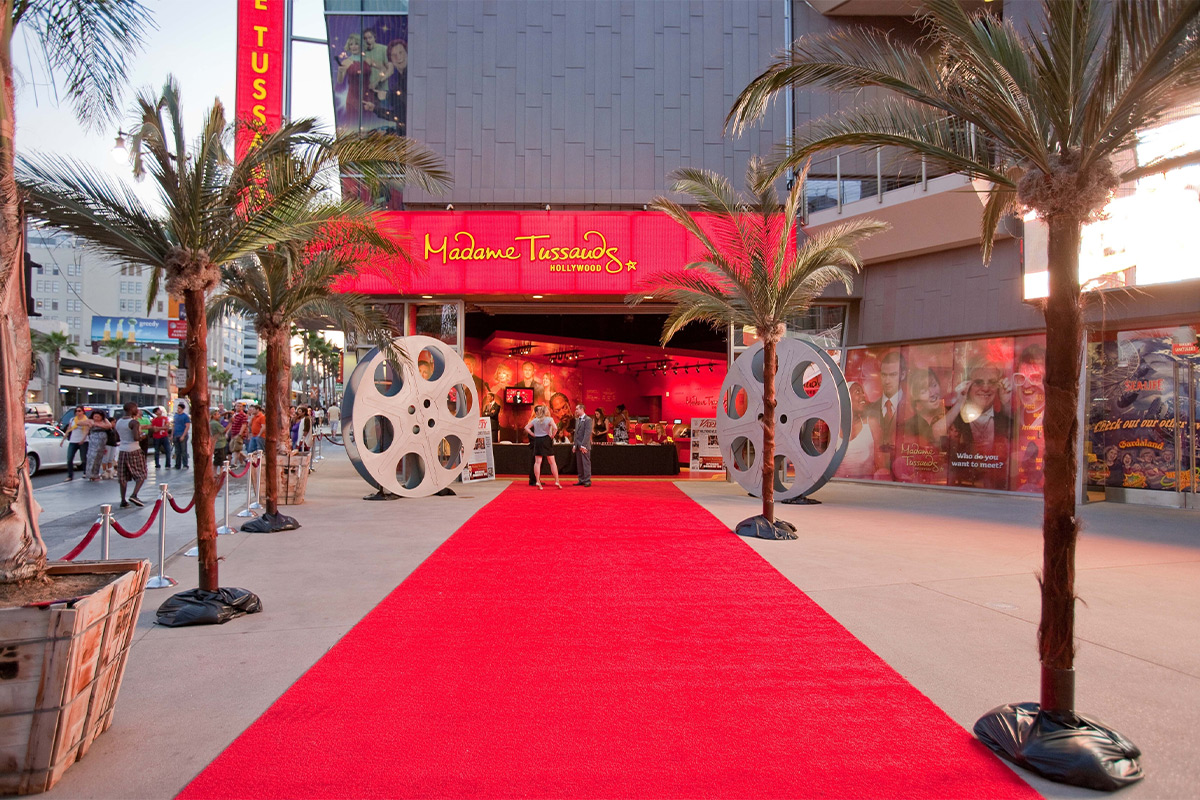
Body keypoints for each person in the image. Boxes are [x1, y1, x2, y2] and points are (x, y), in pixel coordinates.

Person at [948, 363, 1012, 489]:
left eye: (992, 382)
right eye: (978, 382)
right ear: (967, 386)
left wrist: (1006, 404)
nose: (986, 388)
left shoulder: (1005, 419)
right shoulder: (954, 420)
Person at [865, 350, 907, 476]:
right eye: (884, 375)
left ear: (903, 375)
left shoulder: (912, 408)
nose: (887, 381)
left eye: (893, 375)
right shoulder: (869, 409)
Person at [838, 382, 877, 479]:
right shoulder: (834, 429)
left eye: (863, 392)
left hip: (862, 489)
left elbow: (883, 465)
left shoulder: (871, 424)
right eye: (857, 391)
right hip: (838, 488)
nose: (863, 395)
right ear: (846, 397)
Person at [114, 402, 147, 508]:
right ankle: (134, 495)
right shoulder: (134, 422)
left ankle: (123, 500)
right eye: (136, 408)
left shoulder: (119, 422)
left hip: (122, 450)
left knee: (123, 477)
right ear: (132, 409)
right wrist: (143, 436)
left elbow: (117, 436)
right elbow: (136, 438)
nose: (137, 410)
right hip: (134, 450)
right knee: (141, 474)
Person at [523, 404, 561, 489]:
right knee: (552, 462)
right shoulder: (549, 419)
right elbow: (555, 428)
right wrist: (552, 435)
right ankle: (557, 481)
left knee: (537, 462)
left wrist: (534, 434)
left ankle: (537, 481)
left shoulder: (535, 420)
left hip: (538, 440)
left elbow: (526, 427)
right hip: (546, 440)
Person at [60, 406, 90, 480]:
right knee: (69, 458)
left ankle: (85, 472)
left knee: (83, 458)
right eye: (76, 411)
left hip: (83, 441)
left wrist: (83, 439)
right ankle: (70, 475)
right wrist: (63, 440)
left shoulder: (86, 420)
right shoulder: (72, 419)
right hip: (73, 440)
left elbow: (87, 430)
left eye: (79, 411)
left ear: (83, 411)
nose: (78, 412)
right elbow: (69, 429)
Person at [85, 410, 111, 482]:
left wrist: (98, 424)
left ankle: (96, 474)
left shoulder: (104, 421)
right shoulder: (90, 420)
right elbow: (80, 423)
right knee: (92, 456)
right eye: (95, 416)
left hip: (102, 441)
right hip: (94, 440)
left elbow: (109, 426)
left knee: (99, 457)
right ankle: (90, 474)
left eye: (98, 417)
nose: (96, 418)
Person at [572, 404, 593, 487]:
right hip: (578, 445)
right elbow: (576, 434)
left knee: (586, 463)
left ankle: (587, 480)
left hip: (584, 446)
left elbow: (587, 433)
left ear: (582, 409)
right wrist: (574, 445)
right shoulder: (577, 420)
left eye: (577, 409)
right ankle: (581, 479)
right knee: (579, 464)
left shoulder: (588, 419)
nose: (576, 411)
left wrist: (583, 445)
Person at [227, 403, 249, 468]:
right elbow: (232, 424)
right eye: (237, 406)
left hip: (239, 434)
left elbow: (244, 425)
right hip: (233, 434)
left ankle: (234, 463)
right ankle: (246, 459)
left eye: (240, 406)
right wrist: (228, 432)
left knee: (236, 449)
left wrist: (240, 434)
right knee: (233, 449)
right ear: (235, 407)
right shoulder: (234, 415)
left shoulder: (243, 415)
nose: (238, 407)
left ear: (242, 408)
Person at [172, 402, 191, 469]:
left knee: (183, 451)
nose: (178, 409)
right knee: (177, 451)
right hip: (176, 435)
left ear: (182, 409)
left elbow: (187, 426)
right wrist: (172, 435)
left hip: (182, 435)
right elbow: (173, 426)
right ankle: (177, 465)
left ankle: (185, 465)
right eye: (178, 408)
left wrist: (183, 435)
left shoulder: (185, 417)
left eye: (179, 408)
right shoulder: (176, 416)